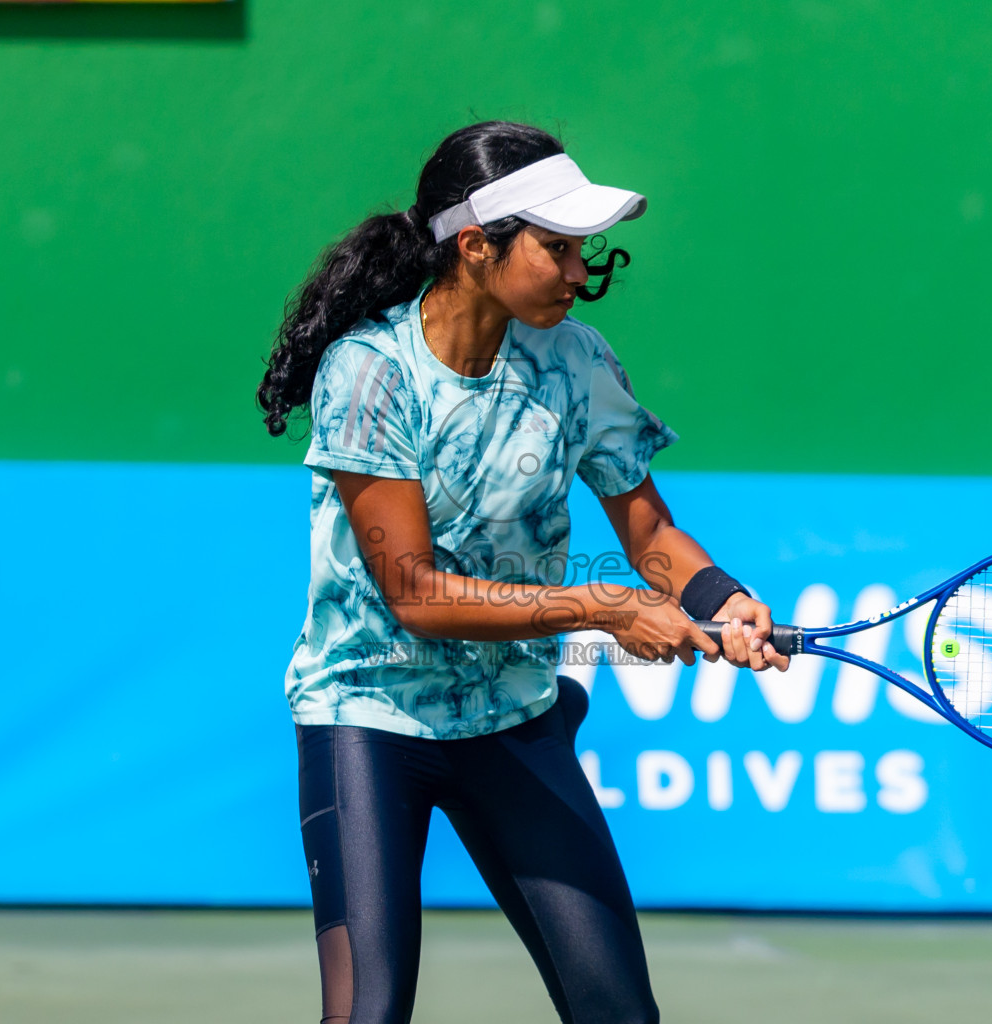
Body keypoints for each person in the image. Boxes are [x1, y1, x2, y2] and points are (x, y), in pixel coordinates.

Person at [255, 120, 789, 1024]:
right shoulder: (370, 373)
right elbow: (414, 595)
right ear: (475, 246)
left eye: (584, 250)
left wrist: (719, 595)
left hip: (513, 720)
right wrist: (605, 610)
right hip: (367, 717)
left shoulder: (575, 360)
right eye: (558, 249)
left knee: (619, 1013)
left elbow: (647, 524)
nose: (581, 274)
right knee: (368, 1013)